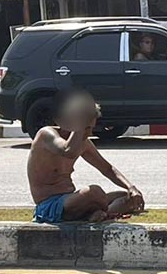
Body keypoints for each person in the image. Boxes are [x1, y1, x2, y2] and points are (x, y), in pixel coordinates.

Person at [27, 92, 144, 224]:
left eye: (91, 128)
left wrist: (131, 188)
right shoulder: (46, 135)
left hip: (72, 200)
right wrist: (79, 124)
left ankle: (100, 214)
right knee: (94, 192)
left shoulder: (83, 142)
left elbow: (107, 168)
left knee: (127, 197)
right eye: (86, 128)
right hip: (49, 206)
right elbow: (67, 151)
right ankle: (100, 213)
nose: (89, 133)